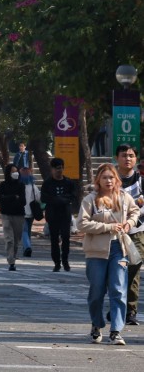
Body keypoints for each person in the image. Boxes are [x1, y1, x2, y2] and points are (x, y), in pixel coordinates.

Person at [80, 162, 139, 345]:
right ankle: (96, 325)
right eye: (104, 177)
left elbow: (135, 211)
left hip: (118, 249)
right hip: (96, 251)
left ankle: (116, 331)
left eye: (111, 177)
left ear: (116, 180)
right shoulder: (90, 199)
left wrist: (130, 223)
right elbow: (82, 224)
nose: (108, 181)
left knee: (118, 289)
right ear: (98, 179)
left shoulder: (124, 197)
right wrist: (107, 227)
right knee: (97, 291)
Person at [116, 144, 144, 324]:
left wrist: (133, 219)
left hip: (136, 230)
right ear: (117, 158)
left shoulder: (141, 181)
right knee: (116, 270)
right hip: (114, 232)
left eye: (131, 155)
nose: (128, 158)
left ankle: (130, 310)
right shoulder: (110, 179)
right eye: (124, 155)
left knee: (134, 267)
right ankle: (117, 307)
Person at [41, 157, 81, 274]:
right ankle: (57, 263)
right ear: (52, 169)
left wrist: (62, 200)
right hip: (52, 214)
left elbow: (73, 196)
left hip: (65, 214)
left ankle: (65, 260)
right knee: (54, 239)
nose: (59, 171)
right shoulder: (47, 183)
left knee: (66, 238)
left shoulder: (68, 182)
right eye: (57, 168)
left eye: (61, 168)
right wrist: (57, 200)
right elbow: (44, 198)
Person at [0, 162, 26, 271]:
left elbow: (23, 201)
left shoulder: (21, 185)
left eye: (16, 171)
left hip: (19, 215)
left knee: (16, 239)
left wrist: (9, 199)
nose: (15, 173)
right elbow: (1, 199)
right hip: (6, 215)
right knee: (9, 239)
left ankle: (13, 255)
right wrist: (14, 197)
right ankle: (11, 261)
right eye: (13, 171)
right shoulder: (3, 185)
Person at [19, 165, 41, 257]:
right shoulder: (33, 186)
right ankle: (27, 247)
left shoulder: (19, 186)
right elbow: (38, 198)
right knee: (28, 230)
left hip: (21, 211)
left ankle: (27, 247)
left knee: (23, 231)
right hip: (31, 212)